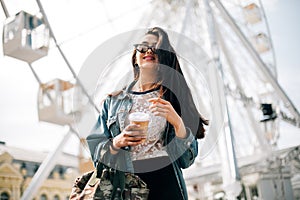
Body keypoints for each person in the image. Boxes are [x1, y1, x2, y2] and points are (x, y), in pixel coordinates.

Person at [87, 27, 208, 200]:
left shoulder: (174, 97)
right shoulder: (113, 102)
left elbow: (186, 161)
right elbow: (96, 156)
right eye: (143, 47)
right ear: (135, 57)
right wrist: (117, 142)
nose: (149, 51)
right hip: (127, 185)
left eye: (156, 47)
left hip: (166, 184)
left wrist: (177, 123)